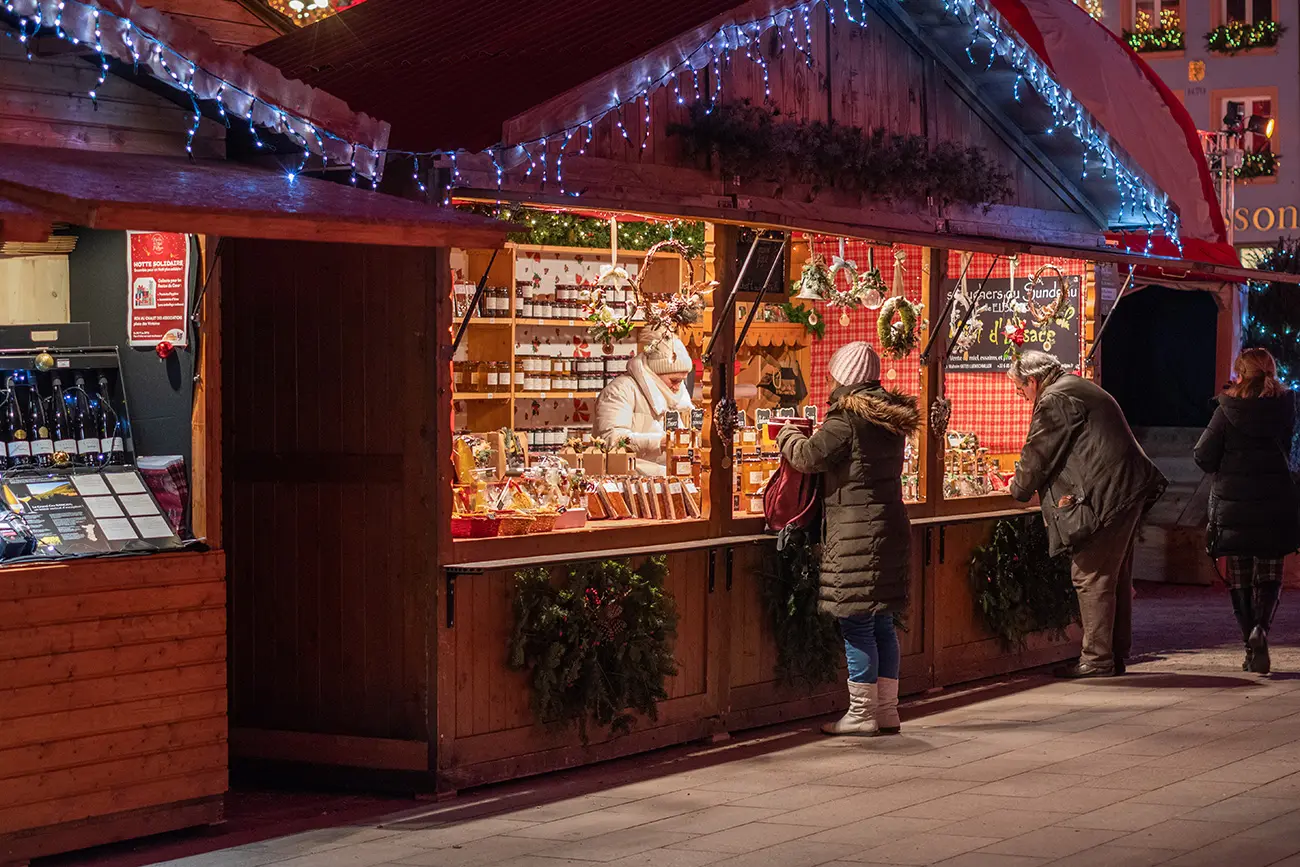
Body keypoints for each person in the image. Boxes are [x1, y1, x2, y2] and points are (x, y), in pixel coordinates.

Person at [777, 342, 918, 736]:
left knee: (856, 623)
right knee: (882, 623)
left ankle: (861, 714)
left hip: (857, 532)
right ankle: (887, 711)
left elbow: (807, 456)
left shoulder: (846, 420)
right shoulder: (888, 417)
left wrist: (785, 434)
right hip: (888, 527)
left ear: (844, 377)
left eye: (832, 374)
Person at [1008, 350, 1166, 679]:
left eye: (1021, 390)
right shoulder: (1074, 387)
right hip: (1123, 489)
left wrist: (1018, 486)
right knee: (1113, 576)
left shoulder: (1055, 398)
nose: (1023, 398)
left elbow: (1039, 452)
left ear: (1033, 381)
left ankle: (1096, 659)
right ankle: (1112, 654)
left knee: (1091, 574)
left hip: (1109, 494)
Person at [1194, 348, 1297, 675]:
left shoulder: (1227, 409)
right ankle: (1261, 630)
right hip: (1275, 502)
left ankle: (1249, 644)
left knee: (1239, 572)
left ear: (1240, 374)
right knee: (1270, 571)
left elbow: (1203, 454)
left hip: (1234, 504)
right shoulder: (1285, 406)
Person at [593, 332, 694, 476]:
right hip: (629, 479)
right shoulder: (619, 391)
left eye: (682, 381)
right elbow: (611, 439)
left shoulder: (672, 396)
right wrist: (659, 442)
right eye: (674, 381)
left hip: (666, 476)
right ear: (654, 373)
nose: (678, 387)